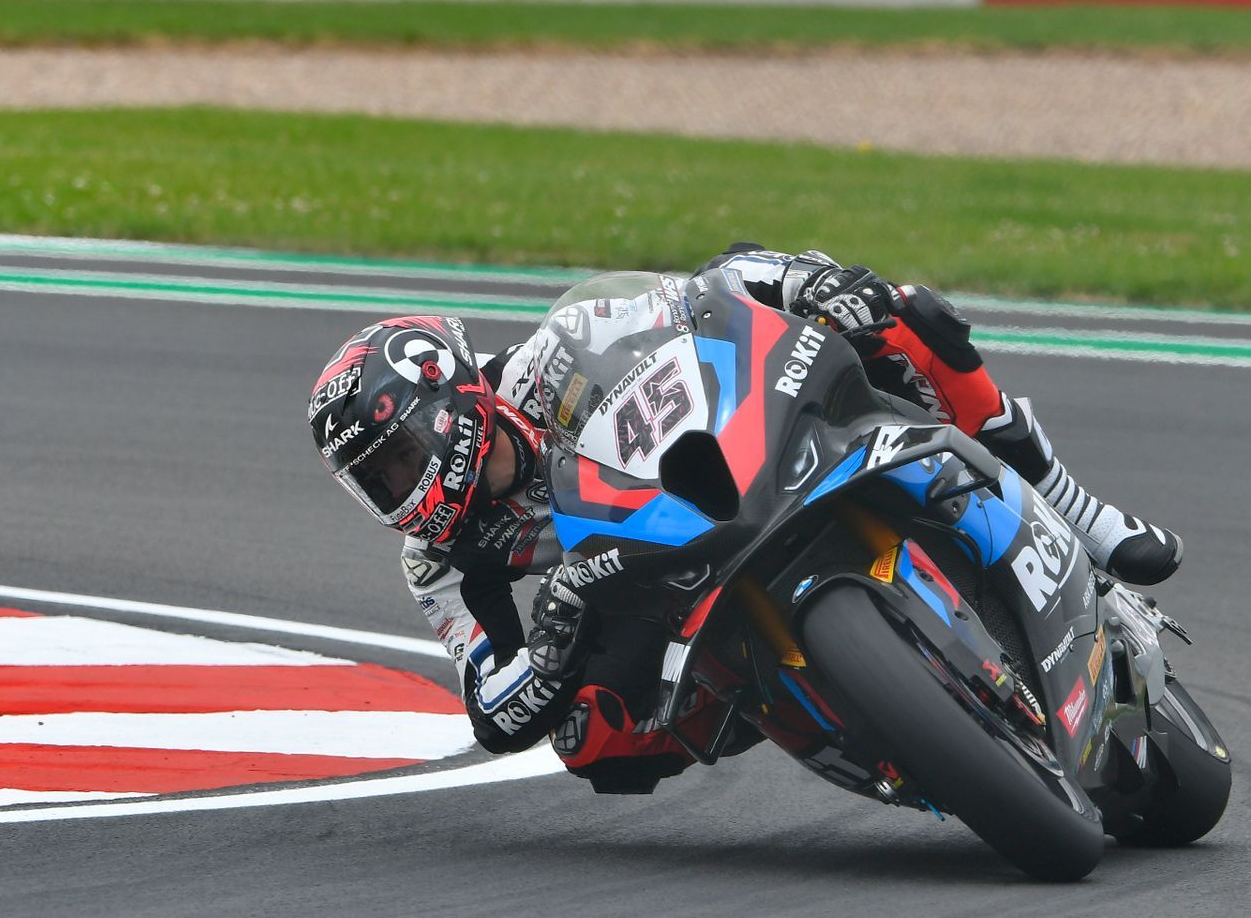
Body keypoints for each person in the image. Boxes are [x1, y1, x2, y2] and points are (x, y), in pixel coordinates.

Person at [307, 250, 1184, 789]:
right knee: (588, 738)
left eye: (397, 459)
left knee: (907, 314)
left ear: (447, 400)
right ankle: (805, 707)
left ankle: (1078, 511)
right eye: (375, 483)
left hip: (731, 463)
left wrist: (808, 283)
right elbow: (491, 709)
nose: (401, 491)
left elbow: (707, 292)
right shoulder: (439, 564)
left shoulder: (553, 354)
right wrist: (549, 645)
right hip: (648, 586)